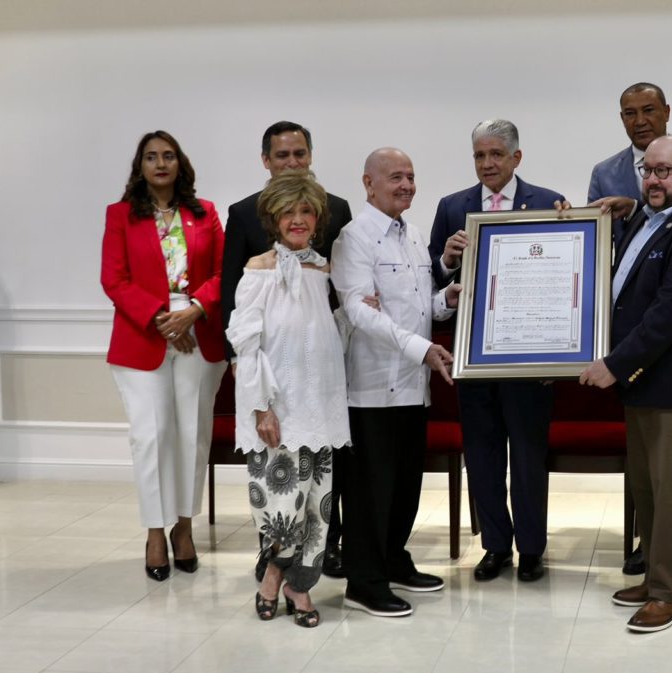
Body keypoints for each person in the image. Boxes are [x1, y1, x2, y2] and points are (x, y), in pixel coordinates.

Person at [580, 135, 672, 633]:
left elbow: (669, 315)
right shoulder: (644, 216)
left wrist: (615, 364)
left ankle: (668, 593)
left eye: (666, 171)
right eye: (648, 170)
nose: (654, 180)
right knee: (645, 485)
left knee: (670, 492)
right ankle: (659, 576)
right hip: (646, 381)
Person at [429, 119, 565, 583]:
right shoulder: (453, 207)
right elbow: (431, 281)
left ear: (516, 158)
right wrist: (447, 259)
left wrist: (560, 357)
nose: (487, 164)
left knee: (528, 457)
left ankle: (531, 549)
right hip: (474, 354)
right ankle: (494, 546)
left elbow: (563, 281)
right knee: (482, 456)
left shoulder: (549, 203)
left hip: (530, 357)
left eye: (496, 155)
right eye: (479, 156)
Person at [331, 147, 461, 617]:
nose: (406, 185)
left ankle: (393, 559)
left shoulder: (412, 234)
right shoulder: (354, 238)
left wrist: (447, 296)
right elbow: (359, 311)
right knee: (370, 491)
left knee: (405, 484)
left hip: (413, 385)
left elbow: (421, 305)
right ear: (368, 183)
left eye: (410, 176)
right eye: (395, 178)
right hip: (369, 388)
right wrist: (420, 348)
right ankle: (363, 582)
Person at [220, 121, 352, 581]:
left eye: (299, 153)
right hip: (276, 390)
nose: (291, 161)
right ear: (266, 161)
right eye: (282, 155)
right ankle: (275, 575)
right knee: (281, 494)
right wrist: (252, 390)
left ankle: (305, 579)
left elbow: (339, 304)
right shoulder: (255, 258)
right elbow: (235, 315)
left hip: (319, 392)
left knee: (317, 497)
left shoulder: (323, 256)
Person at [101, 130, 226, 581]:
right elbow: (114, 279)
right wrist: (161, 318)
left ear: (180, 163)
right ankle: (155, 530)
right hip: (143, 335)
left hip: (198, 330)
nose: (160, 163)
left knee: (192, 434)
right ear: (140, 166)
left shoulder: (204, 212)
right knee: (150, 437)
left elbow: (221, 272)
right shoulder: (120, 216)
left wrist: (191, 312)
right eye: (151, 157)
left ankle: (185, 528)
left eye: (168, 156)